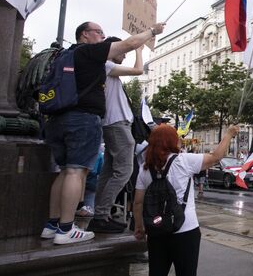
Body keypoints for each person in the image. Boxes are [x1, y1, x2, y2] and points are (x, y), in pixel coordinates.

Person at [41, 21, 165, 245]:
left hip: (59, 117)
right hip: (82, 118)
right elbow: (128, 45)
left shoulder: (66, 56)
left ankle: (52, 225)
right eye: (99, 32)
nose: (103, 37)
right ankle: (66, 229)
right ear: (84, 35)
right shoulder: (90, 53)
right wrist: (152, 31)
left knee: (65, 171)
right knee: (76, 172)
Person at [133, 124, 239, 276]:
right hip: (186, 230)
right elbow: (216, 157)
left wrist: (139, 227)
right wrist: (228, 134)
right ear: (171, 141)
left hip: (156, 231)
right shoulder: (183, 161)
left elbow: (138, 203)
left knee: (157, 272)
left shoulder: (145, 168)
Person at [87, 37, 144, 233]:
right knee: (124, 172)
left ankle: (100, 214)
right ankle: (101, 214)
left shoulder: (108, 69)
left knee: (109, 171)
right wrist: (139, 50)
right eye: (122, 50)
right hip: (116, 124)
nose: (125, 53)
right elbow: (138, 70)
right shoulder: (106, 65)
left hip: (114, 123)